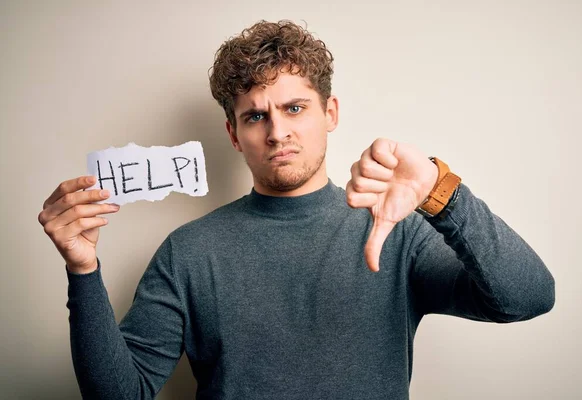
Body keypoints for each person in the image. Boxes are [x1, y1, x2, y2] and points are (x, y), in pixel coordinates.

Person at [38, 20, 555, 400]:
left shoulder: (394, 231)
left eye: (294, 108)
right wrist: (83, 271)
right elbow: (120, 394)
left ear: (329, 113)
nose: (277, 131)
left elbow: (528, 297)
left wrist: (443, 193)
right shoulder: (189, 252)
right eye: (255, 116)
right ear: (234, 136)